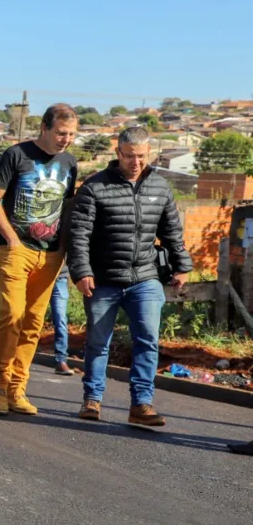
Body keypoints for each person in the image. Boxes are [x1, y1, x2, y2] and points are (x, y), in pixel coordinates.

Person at [69, 126, 192, 427]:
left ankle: (141, 404)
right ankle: (92, 400)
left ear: (148, 154)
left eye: (141, 157)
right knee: (98, 343)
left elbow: (172, 231)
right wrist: (82, 271)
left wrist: (182, 265)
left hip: (145, 278)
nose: (135, 163)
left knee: (148, 340)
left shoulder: (160, 187)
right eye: (129, 157)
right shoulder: (95, 187)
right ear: (117, 154)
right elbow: (79, 235)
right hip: (104, 279)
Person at [0, 104, 79, 416]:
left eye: (72, 135)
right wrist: (11, 238)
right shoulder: (17, 154)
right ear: (45, 128)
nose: (66, 139)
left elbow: (66, 208)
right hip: (15, 249)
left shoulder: (69, 163)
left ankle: (16, 389)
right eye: (61, 133)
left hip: (50, 254)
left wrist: (62, 250)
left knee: (33, 323)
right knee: (12, 314)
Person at [49, 266, 75, 375]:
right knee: (31, 317)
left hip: (60, 278)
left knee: (61, 320)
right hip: (37, 276)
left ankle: (61, 361)